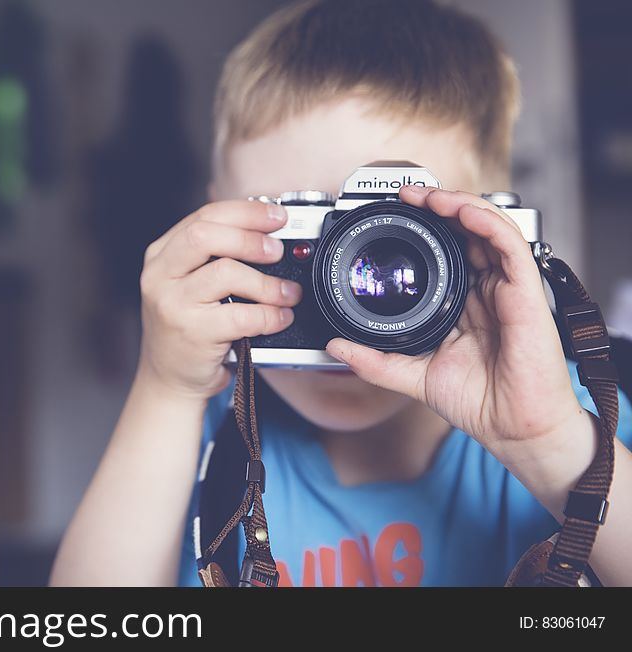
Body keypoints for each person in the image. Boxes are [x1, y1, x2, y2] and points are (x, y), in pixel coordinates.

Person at [51, 0, 632, 586]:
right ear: (215, 223)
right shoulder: (201, 441)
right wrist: (166, 386)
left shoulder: (569, 416)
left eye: (396, 238)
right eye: (303, 231)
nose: (346, 297)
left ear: (491, 232)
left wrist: (551, 447)